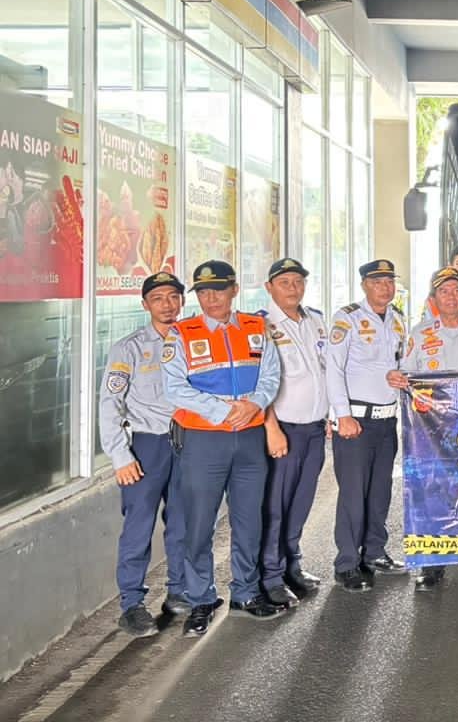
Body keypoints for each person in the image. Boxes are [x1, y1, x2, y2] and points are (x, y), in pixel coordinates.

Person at [162, 260, 284, 637]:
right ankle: (201, 598)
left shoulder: (256, 327)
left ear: (234, 290)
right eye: (203, 292)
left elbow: (271, 374)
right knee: (199, 522)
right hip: (203, 440)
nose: (211, 298)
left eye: (218, 289)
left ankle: (246, 592)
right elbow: (174, 387)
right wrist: (222, 411)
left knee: (249, 519)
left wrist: (254, 405)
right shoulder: (182, 334)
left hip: (248, 438)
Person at [391, 266, 458, 589]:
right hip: (432, 430)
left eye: (456, 290)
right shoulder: (420, 334)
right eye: (443, 291)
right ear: (433, 299)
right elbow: (406, 374)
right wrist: (397, 377)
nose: (450, 296)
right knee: (433, 490)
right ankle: (432, 562)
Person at [100, 271, 190, 637]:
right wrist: (121, 456)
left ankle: (179, 591)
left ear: (182, 301)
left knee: (184, 521)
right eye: (158, 298)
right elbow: (110, 404)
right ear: (145, 305)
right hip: (147, 446)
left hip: (189, 443)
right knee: (139, 526)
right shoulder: (130, 348)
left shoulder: (194, 341)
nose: (167, 305)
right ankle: (132, 605)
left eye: (173, 297)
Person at [327, 259, 410, 593]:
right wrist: (342, 414)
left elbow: (401, 363)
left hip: (387, 420)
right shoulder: (347, 318)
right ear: (364, 285)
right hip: (356, 422)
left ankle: (374, 552)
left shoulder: (398, 319)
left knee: (379, 492)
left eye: (389, 281)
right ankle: (347, 563)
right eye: (377, 282)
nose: (385, 287)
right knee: (353, 494)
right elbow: (333, 368)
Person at [258, 258, 328, 608]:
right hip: (283, 430)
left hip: (315, 429)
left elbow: (325, 370)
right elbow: (257, 383)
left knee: (301, 502)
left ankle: (292, 566)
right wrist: (271, 427)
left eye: (298, 281)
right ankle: (270, 576)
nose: (293, 288)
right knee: (275, 506)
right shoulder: (261, 325)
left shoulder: (315, 320)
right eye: (284, 282)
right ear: (269, 287)